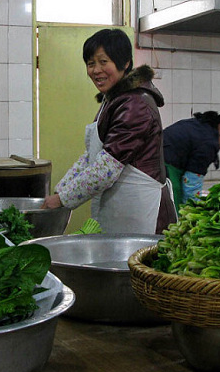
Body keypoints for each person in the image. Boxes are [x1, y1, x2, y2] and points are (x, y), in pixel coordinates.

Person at [42, 29, 177, 234]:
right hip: (124, 209)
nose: (96, 70)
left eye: (103, 62)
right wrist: (61, 190)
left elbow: (105, 169)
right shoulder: (113, 100)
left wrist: (62, 199)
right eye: (90, 63)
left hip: (143, 213)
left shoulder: (135, 105)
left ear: (125, 63)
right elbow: (91, 157)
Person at [163, 111, 220, 207]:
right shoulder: (208, 143)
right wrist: (195, 207)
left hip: (158, 156)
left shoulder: (201, 125)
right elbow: (192, 182)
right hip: (166, 164)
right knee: (174, 207)